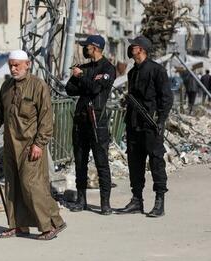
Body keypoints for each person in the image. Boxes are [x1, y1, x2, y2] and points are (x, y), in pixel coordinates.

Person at [0, 50, 66, 240]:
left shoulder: (38, 86)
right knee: (12, 186)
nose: (13, 68)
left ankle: (52, 224)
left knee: (32, 186)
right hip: (10, 145)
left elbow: (46, 119)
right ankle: (17, 225)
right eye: (11, 65)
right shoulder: (6, 86)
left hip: (30, 146)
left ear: (27, 64)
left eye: (17, 65)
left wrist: (39, 144)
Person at [118, 36, 173, 217]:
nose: (130, 48)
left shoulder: (157, 70)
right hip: (134, 124)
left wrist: (160, 120)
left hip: (151, 125)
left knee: (156, 161)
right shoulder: (132, 72)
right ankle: (137, 200)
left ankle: (159, 201)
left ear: (141, 49)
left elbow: (166, 98)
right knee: (135, 162)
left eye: (133, 46)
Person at [65, 35, 116, 215]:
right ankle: (81, 200)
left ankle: (105, 203)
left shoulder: (108, 68)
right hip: (81, 120)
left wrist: (82, 79)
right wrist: (82, 78)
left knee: (101, 162)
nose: (84, 49)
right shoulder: (84, 68)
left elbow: (95, 89)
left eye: (86, 46)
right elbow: (69, 89)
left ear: (95, 48)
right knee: (80, 162)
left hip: (98, 120)